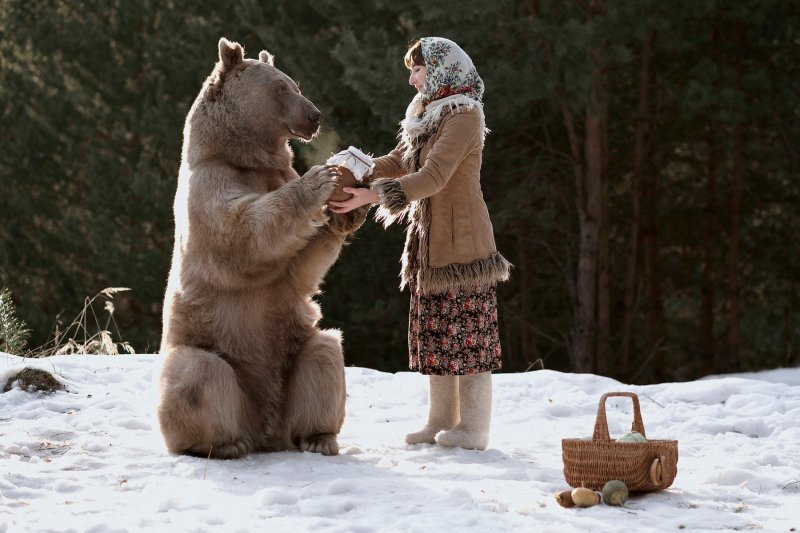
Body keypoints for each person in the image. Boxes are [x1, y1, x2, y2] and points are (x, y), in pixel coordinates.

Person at [329, 37, 511, 450]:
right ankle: (441, 421)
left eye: (417, 69)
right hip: (430, 243)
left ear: (441, 69)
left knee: (468, 338)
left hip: (463, 244)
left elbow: (433, 177)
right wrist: (356, 167)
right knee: (437, 334)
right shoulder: (428, 114)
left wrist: (370, 196)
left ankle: (474, 429)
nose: (412, 80)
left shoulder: (464, 115)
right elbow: (399, 162)